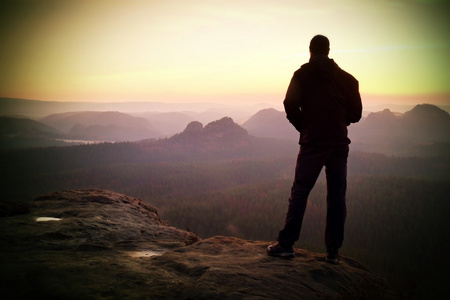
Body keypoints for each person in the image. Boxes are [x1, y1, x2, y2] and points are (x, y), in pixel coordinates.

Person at [267, 35, 362, 263]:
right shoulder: (348, 80)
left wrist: (305, 126)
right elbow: (356, 114)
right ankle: (333, 252)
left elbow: (289, 104)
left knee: (300, 192)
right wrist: (340, 120)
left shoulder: (301, 75)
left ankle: (287, 245)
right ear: (328, 51)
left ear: (310, 51)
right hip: (338, 143)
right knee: (337, 197)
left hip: (313, 143)